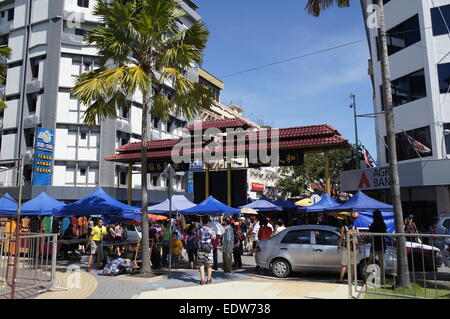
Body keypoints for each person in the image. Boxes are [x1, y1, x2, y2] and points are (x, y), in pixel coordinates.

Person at [337, 216, 359, 283]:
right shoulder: (355, 228)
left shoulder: (344, 228)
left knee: (344, 265)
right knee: (352, 266)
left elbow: (341, 238)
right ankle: (352, 280)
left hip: (347, 248)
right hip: (355, 248)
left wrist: (339, 246)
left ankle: (341, 279)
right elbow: (358, 237)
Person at [368, 210, 387, 284]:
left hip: (374, 244)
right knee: (381, 264)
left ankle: (367, 278)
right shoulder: (383, 224)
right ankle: (383, 281)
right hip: (382, 244)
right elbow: (384, 232)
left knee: (369, 262)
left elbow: (370, 233)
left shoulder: (373, 225)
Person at [196, 215, 216, 285]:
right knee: (209, 264)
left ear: (202, 221)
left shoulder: (199, 229)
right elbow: (214, 238)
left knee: (201, 264)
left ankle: (202, 280)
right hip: (208, 248)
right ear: (208, 221)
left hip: (200, 248)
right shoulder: (210, 229)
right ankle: (208, 279)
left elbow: (197, 237)